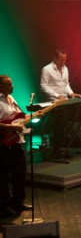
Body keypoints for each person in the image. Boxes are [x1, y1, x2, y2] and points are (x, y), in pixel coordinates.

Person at [0, 75, 38, 217]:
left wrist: (28, 117)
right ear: (1, 86)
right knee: (3, 176)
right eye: (9, 84)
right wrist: (12, 127)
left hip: (16, 141)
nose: (12, 86)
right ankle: (4, 205)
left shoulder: (12, 99)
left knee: (20, 172)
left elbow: (16, 117)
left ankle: (18, 201)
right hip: (3, 143)